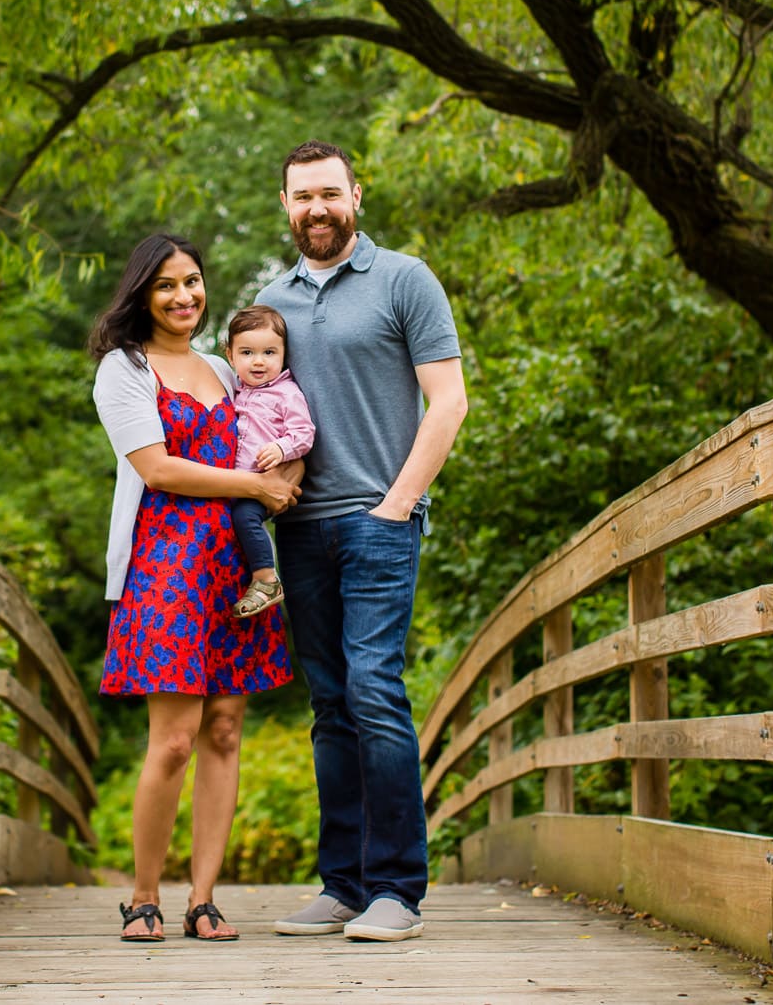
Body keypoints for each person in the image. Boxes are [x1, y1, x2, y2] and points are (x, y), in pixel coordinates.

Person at [260, 141, 469, 942]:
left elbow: (447, 402)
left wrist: (398, 504)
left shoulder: (404, 279)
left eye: (329, 194)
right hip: (301, 528)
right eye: (301, 196)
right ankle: (342, 883)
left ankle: (396, 891)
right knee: (329, 704)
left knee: (375, 690)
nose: (316, 208)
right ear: (285, 205)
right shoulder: (270, 298)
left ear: (356, 196)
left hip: (381, 519)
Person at [89, 232, 300, 944]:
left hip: (232, 566)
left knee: (225, 728)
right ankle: (141, 894)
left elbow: (282, 431)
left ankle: (202, 898)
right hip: (165, 565)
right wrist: (256, 485)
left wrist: (283, 480)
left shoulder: (222, 364)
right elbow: (159, 469)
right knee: (174, 738)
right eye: (167, 285)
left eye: (193, 281)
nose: (185, 296)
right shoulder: (123, 369)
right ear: (142, 294)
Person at [222, 304, 315, 618]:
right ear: (230, 356)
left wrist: (282, 448)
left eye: (269, 353)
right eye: (247, 353)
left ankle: (266, 580)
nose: (258, 361)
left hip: (262, 483)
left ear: (283, 355)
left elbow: (304, 432)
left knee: (245, 518)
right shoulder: (234, 391)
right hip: (233, 483)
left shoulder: (286, 393)